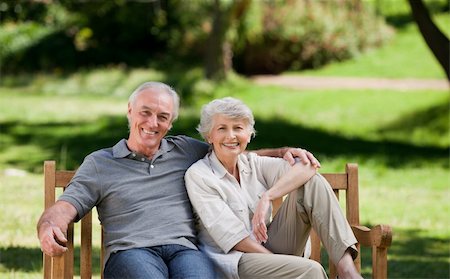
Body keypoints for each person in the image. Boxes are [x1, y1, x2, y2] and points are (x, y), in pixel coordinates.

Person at [37, 81, 320, 279]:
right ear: (130, 111)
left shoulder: (185, 150)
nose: (153, 122)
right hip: (131, 252)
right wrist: (49, 225)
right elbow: (67, 205)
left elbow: (230, 150)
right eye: (145, 112)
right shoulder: (101, 163)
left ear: (170, 122)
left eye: (163, 116)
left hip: (185, 251)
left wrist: (281, 152)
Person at [185, 97, 362, 279]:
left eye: (238, 128)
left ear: (249, 134)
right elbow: (235, 240)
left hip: (269, 246)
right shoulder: (199, 175)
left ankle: (348, 271)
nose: (231, 136)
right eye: (222, 128)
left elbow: (307, 167)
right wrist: (282, 263)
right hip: (236, 261)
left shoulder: (253, 164)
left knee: (311, 183)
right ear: (209, 136)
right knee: (311, 270)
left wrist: (268, 196)